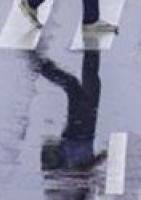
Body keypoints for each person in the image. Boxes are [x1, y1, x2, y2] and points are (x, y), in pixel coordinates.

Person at [34, 51, 105, 183]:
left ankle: (92, 49)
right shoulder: (73, 186)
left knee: (89, 86)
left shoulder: (76, 187)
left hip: (81, 135)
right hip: (74, 137)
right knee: (73, 87)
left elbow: (82, 170)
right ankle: (42, 66)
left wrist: (100, 159)